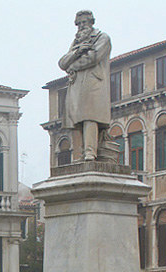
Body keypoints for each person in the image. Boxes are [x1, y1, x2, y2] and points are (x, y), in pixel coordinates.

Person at [58, 9, 112, 161]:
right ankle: (84, 152)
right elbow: (62, 62)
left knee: (90, 117)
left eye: (85, 22)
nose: (82, 26)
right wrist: (76, 52)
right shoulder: (76, 43)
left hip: (93, 83)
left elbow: (92, 58)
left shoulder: (103, 38)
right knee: (79, 120)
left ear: (92, 22)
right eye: (79, 23)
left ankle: (90, 152)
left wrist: (72, 66)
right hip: (77, 86)